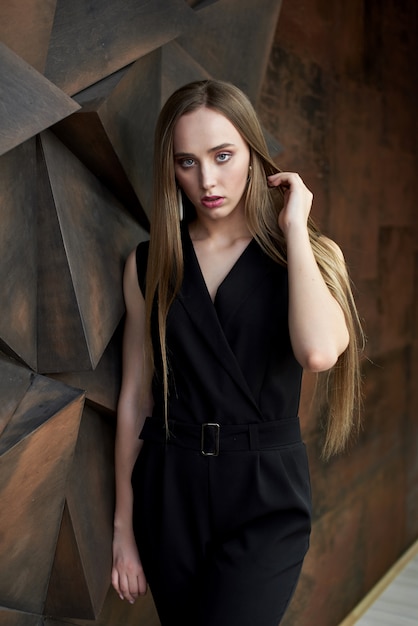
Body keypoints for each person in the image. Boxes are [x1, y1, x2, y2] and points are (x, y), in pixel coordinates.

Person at [111, 79, 363, 626]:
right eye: (187, 162)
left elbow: (319, 352)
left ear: (252, 152)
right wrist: (124, 529)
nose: (207, 180)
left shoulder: (308, 255)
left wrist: (293, 227)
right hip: (168, 488)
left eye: (223, 156)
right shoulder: (149, 262)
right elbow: (136, 397)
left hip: (263, 494)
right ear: (170, 169)